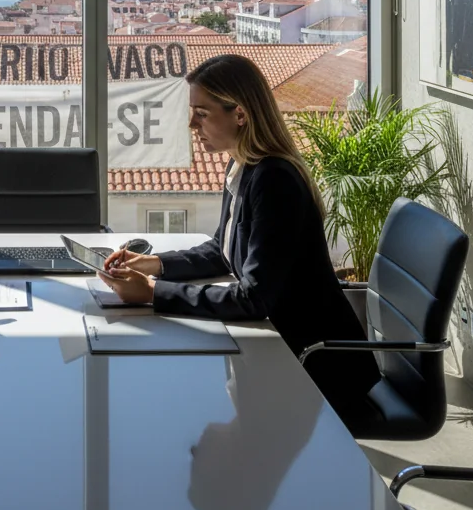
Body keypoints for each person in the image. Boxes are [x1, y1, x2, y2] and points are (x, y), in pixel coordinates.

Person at [101, 54, 378, 423]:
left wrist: (153, 291)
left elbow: (254, 298)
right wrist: (157, 265)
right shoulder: (243, 165)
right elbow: (223, 249)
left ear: (240, 115)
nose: (191, 124)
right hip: (279, 349)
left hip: (314, 366)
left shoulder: (275, 181)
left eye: (201, 113)